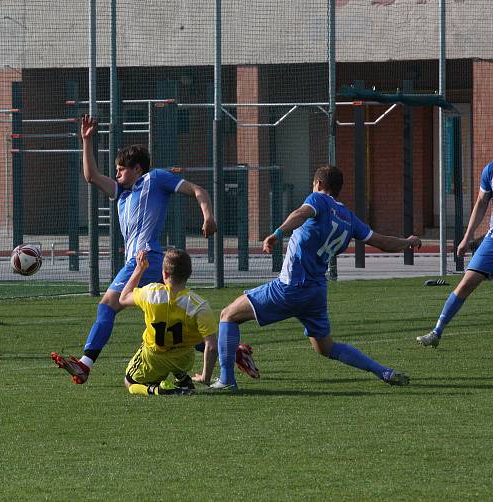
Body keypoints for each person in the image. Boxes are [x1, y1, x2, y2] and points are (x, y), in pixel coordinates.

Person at [211, 165, 420, 391]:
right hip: (315, 292)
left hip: (290, 287)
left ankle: (226, 380)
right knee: (326, 348)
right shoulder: (350, 219)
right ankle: (383, 371)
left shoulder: (319, 199)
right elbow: (382, 241)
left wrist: (278, 233)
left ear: (319, 185)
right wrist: (407, 242)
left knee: (228, 315)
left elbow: (301, 213)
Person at [51, 114, 217, 384]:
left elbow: (198, 190)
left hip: (146, 258)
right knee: (165, 320)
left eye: (121, 168)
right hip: (142, 260)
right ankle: (233, 352)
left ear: (138, 169)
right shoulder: (120, 191)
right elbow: (90, 176)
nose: (116, 173)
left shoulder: (155, 179)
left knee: (107, 306)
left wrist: (207, 216)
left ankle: (85, 364)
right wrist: (86, 140)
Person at [118, 248, 217, 395]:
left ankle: (157, 390)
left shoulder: (151, 293)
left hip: (154, 359)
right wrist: (205, 377)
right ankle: (182, 377)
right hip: (183, 359)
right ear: (189, 274)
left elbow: (123, 298)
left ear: (164, 273)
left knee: (129, 382)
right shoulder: (199, 306)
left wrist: (139, 269)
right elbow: (211, 346)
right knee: (183, 350)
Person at [417, 161, 493, 348]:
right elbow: (482, 202)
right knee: (467, 282)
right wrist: (467, 238)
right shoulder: (490, 170)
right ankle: (437, 331)